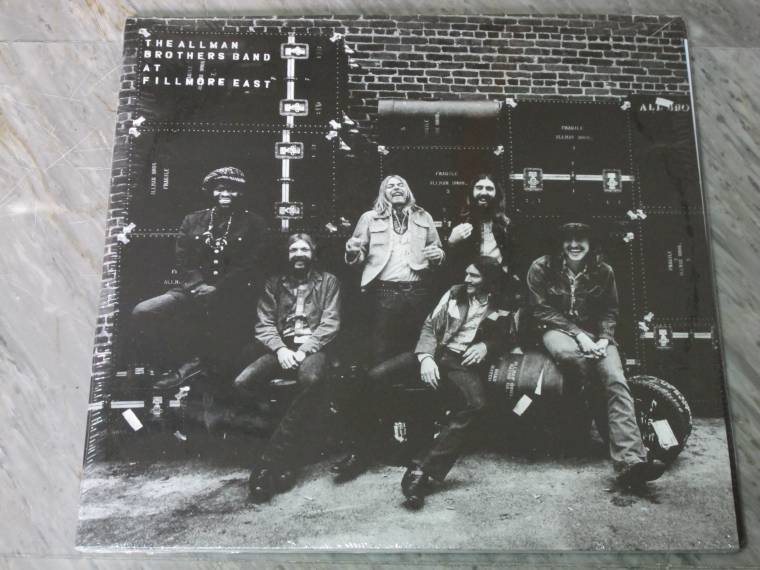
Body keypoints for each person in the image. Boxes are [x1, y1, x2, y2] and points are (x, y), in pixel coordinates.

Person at [333, 257, 515, 510]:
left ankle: (422, 470)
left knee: (476, 404)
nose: (467, 279)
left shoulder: (503, 303)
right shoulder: (455, 293)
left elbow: (509, 335)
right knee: (374, 378)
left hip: (461, 362)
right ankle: (360, 452)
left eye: (474, 276)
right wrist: (426, 358)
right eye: (467, 273)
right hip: (434, 353)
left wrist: (487, 346)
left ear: (489, 280)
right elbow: (430, 326)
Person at [526, 221, 666, 487]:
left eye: (581, 239)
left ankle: (632, 462)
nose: (574, 245)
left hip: (595, 335)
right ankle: (612, 436)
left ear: (591, 243)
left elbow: (609, 310)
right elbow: (540, 310)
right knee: (571, 356)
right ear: (560, 243)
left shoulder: (604, 271)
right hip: (555, 329)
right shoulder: (541, 267)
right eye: (568, 239)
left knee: (615, 378)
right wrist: (578, 335)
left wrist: (604, 338)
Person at [130, 166, 267, 389]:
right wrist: (198, 284)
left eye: (232, 189)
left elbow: (251, 265)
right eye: (220, 188)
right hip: (192, 290)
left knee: (226, 335)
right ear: (211, 191)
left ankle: (197, 367)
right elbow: (182, 258)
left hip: (232, 295)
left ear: (240, 192)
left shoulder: (254, 224)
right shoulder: (192, 220)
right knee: (143, 311)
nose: (225, 194)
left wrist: (218, 288)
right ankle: (173, 365)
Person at [234, 233, 341, 503]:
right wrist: (281, 350)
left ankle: (269, 462)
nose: (299, 254)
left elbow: (330, 323)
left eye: (305, 249)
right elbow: (264, 324)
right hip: (281, 347)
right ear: (287, 255)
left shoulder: (329, 281)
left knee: (311, 380)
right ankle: (290, 456)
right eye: (294, 250)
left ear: (313, 253)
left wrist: (304, 351)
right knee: (243, 383)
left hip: (314, 348)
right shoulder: (274, 283)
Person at [344, 174, 446, 364]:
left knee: (416, 344)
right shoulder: (369, 218)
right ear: (383, 193)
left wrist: (438, 255)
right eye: (390, 186)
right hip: (384, 292)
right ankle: (381, 380)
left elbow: (437, 249)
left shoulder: (424, 216)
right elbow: (357, 256)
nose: (397, 188)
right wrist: (352, 252)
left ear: (407, 191)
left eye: (400, 185)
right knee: (381, 347)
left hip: (418, 292)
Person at [447, 173, 512, 274]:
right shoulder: (460, 220)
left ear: (497, 193)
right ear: (472, 191)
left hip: (497, 277)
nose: (484, 192)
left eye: (489, 189)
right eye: (479, 188)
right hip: (469, 278)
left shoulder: (507, 221)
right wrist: (451, 242)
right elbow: (450, 260)